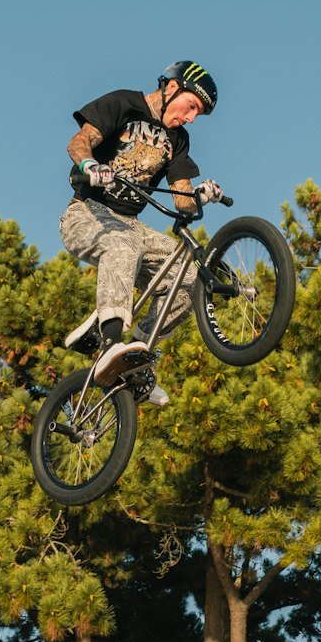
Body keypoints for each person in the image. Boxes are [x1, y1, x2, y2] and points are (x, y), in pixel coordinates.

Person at [60, 62, 223, 399]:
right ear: (173, 88)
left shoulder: (178, 139)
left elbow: (182, 197)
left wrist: (200, 196)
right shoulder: (123, 103)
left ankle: (134, 356)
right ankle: (110, 342)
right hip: (86, 214)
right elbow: (79, 142)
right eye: (192, 107)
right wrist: (90, 164)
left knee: (191, 278)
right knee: (123, 244)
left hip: (131, 226)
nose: (190, 118)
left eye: (198, 115)